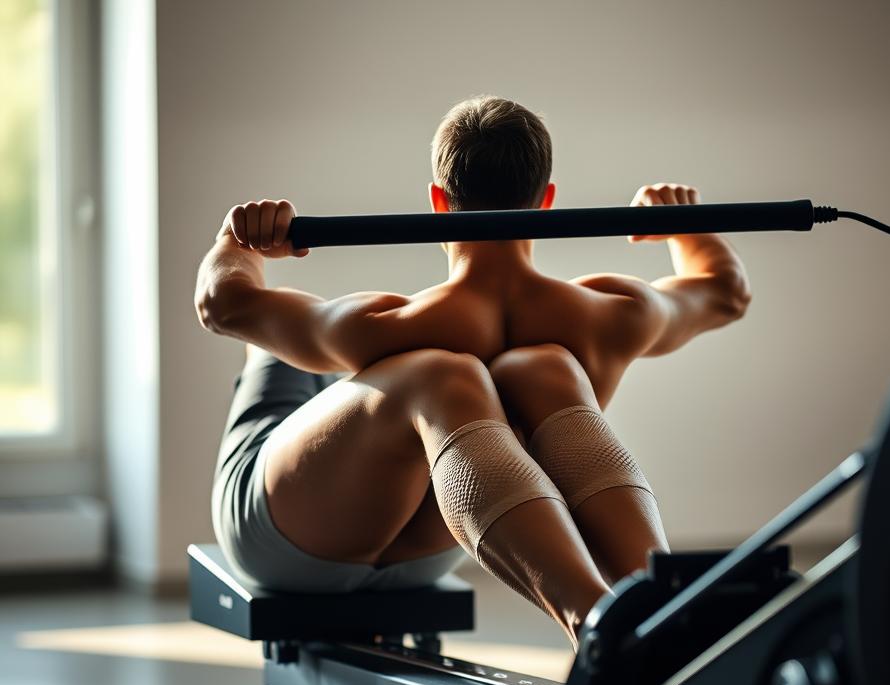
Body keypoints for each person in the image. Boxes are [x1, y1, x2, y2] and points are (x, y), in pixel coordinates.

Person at [196, 96, 750, 649]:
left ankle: (601, 619)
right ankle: (642, 605)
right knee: (539, 366)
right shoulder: (613, 315)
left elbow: (222, 303)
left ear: (439, 201)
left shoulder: (378, 324)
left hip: (286, 549)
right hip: (430, 555)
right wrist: (687, 228)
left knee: (383, 367)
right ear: (547, 202)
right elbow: (724, 292)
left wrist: (237, 241)